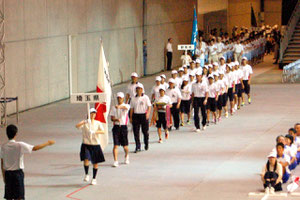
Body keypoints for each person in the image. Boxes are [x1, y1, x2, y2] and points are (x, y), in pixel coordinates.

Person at [1, 124, 55, 200]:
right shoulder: (19, 145)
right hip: (17, 174)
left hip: (7, 174)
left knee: (9, 197)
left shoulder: (3, 147)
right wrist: (48, 143)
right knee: (19, 197)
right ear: (16, 134)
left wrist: (4, 176)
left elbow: (2, 162)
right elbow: (35, 148)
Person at [76, 108, 105, 185]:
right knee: (86, 159)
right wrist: (84, 121)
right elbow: (77, 126)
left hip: (95, 144)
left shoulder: (98, 123)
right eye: (91, 113)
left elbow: (102, 131)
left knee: (95, 162)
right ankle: (86, 174)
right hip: (86, 144)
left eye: (94, 113)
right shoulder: (85, 123)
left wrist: (95, 132)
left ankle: (94, 178)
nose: (93, 115)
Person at [110, 92, 130, 167]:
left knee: (125, 146)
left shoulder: (126, 105)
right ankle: (115, 160)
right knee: (116, 145)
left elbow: (126, 108)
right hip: (116, 127)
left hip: (123, 127)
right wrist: (115, 119)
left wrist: (119, 107)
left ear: (123, 98)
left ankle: (126, 156)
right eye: (118, 98)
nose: (119, 99)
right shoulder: (113, 107)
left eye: (120, 98)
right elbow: (111, 118)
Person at [130, 83, 152, 153]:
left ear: (142, 90)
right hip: (136, 115)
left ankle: (146, 143)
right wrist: (131, 117)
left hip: (143, 115)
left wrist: (148, 113)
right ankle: (137, 146)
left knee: (145, 131)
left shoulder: (145, 97)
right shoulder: (133, 98)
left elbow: (149, 106)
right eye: (137, 89)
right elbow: (131, 108)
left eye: (139, 89)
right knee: (136, 132)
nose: (138, 90)